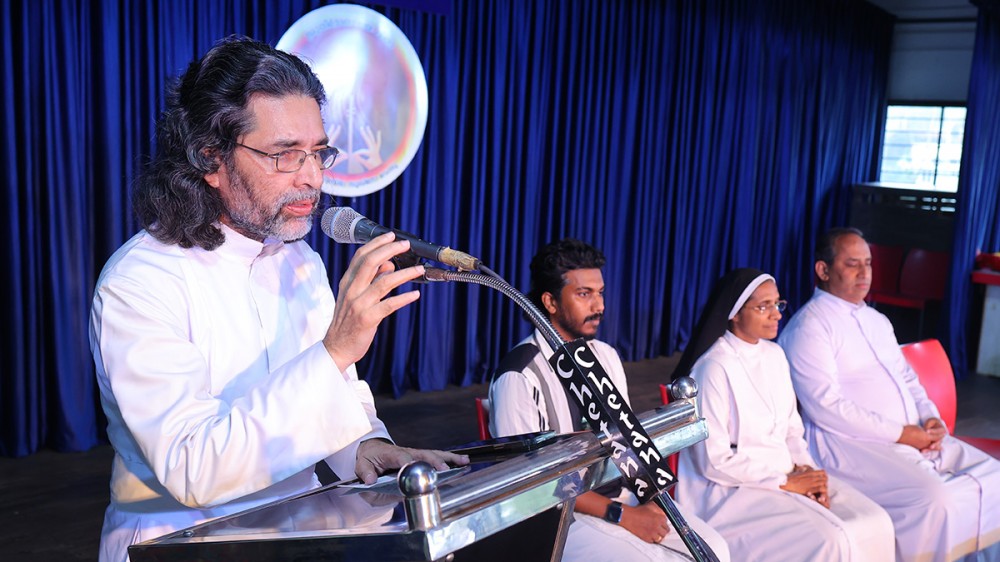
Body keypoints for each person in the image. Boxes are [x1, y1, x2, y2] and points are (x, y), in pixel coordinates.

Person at [89, 37, 467, 562]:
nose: (312, 177)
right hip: (179, 541)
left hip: (300, 531)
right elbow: (192, 469)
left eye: (318, 152)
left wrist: (365, 445)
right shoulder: (140, 282)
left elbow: (335, 397)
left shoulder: (299, 260)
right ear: (211, 159)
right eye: (286, 155)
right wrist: (334, 350)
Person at [488, 238, 730, 562]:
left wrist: (650, 497)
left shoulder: (605, 356)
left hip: (620, 495)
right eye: (584, 294)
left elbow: (628, 440)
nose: (598, 306)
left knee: (717, 549)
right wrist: (623, 516)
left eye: (600, 292)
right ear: (549, 301)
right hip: (560, 519)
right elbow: (535, 486)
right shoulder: (519, 375)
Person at [779, 227, 1000, 562]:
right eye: (852, 264)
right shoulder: (809, 326)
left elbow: (908, 379)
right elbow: (826, 407)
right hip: (851, 444)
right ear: (823, 270)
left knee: (994, 476)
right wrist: (902, 434)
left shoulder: (877, 320)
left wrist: (931, 418)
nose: (864, 272)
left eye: (868, 263)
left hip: (916, 434)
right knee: (937, 499)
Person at [673, 268, 894, 562]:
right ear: (735, 313)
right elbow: (713, 462)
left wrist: (808, 474)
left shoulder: (775, 355)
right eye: (763, 306)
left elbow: (792, 431)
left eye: (777, 304)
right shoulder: (713, 367)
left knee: (876, 521)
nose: (776, 314)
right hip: (729, 490)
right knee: (831, 538)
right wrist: (785, 482)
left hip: (787, 473)